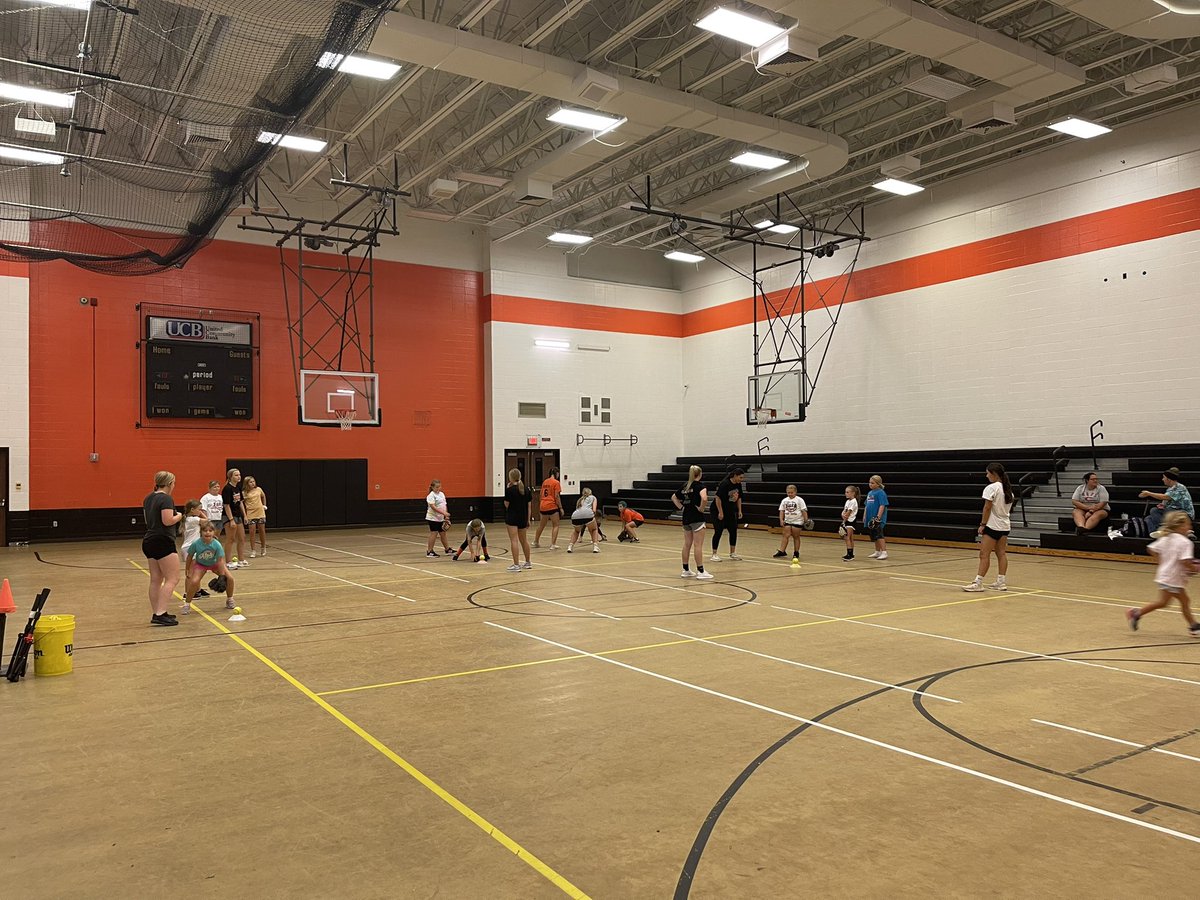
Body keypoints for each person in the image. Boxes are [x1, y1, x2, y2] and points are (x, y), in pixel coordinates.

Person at [1126, 511, 1200, 636]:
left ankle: (1136, 613)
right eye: (1188, 525)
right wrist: (1194, 568)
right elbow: (1185, 561)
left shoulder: (1166, 538)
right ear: (1181, 526)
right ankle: (1194, 626)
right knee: (1182, 601)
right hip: (1172, 578)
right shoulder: (1185, 542)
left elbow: (1151, 549)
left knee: (1165, 602)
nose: (1190, 527)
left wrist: (1162, 562)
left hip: (1166, 576)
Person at [963, 463, 1013, 592]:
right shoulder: (1008, 490)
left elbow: (987, 507)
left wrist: (983, 524)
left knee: (984, 554)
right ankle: (1001, 582)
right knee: (1001, 553)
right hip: (1004, 526)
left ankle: (978, 582)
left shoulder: (992, 488)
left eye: (987, 473)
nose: (986, 476)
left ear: (994, 474)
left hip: (992, 526)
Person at [142, 471, 182, 626]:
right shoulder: (165, 498)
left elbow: (148, 520)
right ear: (169, 483)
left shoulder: (148, 498)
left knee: (156, 579)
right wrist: (179, 516)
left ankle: (157, 611)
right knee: (173, 578)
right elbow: (167, 521)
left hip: (149, 540)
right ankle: (161, 613)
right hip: (163, 540)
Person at [1109, 468, 1194, 539]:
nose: (1162, 479)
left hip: (1182, 514)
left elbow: (1165, 497)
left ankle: (1162, 530)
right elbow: (1166, 501)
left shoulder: (1180, 487)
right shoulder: (1169, 489)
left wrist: (1148, 493)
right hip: (1172, 512)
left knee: (1154, 510)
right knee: (1148, 518)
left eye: (1164, 477)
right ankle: (1156, 534)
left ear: (1168, 479)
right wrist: (1162, 505)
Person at [181, 521, 238, 615]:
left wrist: (222, 576)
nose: (207, 532)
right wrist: (187, 570)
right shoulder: (196, 543)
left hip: (215, 564)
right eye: (205, 530)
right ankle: (187, 604)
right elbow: (189, 557)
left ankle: (230, 599)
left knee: (230, 579)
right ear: (201, 532)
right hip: (201, 564)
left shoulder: (216, 544)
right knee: (194, 582)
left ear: (213, 532)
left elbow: (220, 561)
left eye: (210, 530)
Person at [672, 465, 712, 579]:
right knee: (698, 545)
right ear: (700, 474)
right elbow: (704, 498)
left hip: (686, 517)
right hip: (697, 517)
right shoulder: (701, 486)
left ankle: (685, 570)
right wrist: (701, 508)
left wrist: (681, 507)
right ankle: (701, 571)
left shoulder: (685, 486)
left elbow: (674, 497)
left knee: (687, 544)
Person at [710, 467, 746, 562]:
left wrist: (740, 511)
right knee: (718, 531)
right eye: (740, 477)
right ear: (735, 476)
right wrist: (720, 512)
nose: (741, 479)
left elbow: (739, 498)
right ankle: (714, 554)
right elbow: (717, 498)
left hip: (730, 510)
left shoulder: (738, 485)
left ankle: (732, 553)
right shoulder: (725, 484)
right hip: (717, 509)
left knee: (733, 530)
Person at [503, 468, 533, 572]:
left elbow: (506, 505)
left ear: (511, 477)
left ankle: (516, 565)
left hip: (512, 518)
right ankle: (528, 562)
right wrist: (528, 519)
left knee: (514, 540)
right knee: (524, 540)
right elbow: (529, 506)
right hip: (523, 518)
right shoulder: (526, 489)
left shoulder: (509, 490)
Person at [222, 468, 248, 568]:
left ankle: (241, 559)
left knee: (242, 538)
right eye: (236, 475)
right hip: (229, 516)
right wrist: (231, 520)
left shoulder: (238, 488)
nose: (239, 477)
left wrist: (245, 515)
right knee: (231, 539)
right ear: (230, 477)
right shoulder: (227, 488)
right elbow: (226, 505)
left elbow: (240, 502)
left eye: (239, 475)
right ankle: (228, 562)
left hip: (238, 516)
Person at [777, 484, 809, 567]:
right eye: (788, 493)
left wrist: (806, 520)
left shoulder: (800, 500)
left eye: (791, 492)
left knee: (796, 536)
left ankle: (796, 552)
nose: (790, 494)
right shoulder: (784, 500)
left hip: (797, 521)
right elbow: (782, 511)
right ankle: (782, 551)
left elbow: (804, 511)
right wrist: (781, 519)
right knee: (785, 535)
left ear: (795, 492)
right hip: (788, 520)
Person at [533, 467, 564, 549]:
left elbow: (540, 495)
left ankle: (536, 541)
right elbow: (557, 496)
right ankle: (553, 544)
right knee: (556, 525)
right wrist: (560, 508)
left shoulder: (545, 482)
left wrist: (542, 503)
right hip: (552, 505)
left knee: (541, 525)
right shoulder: (556, 482)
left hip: (543, 505)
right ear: (556, 473)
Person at [567, 488, 601, 554]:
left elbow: (578, 509)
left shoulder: (580, 499)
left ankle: (570, 546)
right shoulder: (593, 497)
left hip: (575, 515)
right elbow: (594, 510)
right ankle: (595, 547)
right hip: (588, 514)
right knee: (594, 529)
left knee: (576, 531)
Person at [425, 479, 453, 557]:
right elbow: (433, 507)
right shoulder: (431, 495)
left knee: (443, 533)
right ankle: (429, 551)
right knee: (434, 533)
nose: (438, 488)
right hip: (433, 518)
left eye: (439, 487)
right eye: (437, 487)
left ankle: (447, 549)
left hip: (440, 518)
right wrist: (443, 513)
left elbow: (444, 505)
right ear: (432, 487)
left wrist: (446, 516)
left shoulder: (441, 494)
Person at [865, 475, 889, 560]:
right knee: (874, 535)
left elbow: (882, 505)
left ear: (878, 484)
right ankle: (877, 551)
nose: (870, 484)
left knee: (879, 535)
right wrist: (865, 516)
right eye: (869, 483)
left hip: (877, 518)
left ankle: (884, 552)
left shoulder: (881, 493)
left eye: (872, 483)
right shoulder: (870, 493)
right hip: (870, 518)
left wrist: (878, 517)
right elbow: (866, 505)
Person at [242, 475, 268, 557]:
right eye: (250, 482)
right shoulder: (244, 492)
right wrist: (245, 515)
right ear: (247, 483)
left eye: (253, 481)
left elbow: (263, 496)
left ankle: (263, 547)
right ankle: (253, 550)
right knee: (252, 532)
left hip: (260, 512)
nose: (253, 483)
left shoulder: (259, 489)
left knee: (262, 531)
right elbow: (241, 503)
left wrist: (264, 505)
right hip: (250, 513)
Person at [839, 485, 861, 561]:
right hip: (847, 521)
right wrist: (843, 516)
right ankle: (851, 553)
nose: (846, 493)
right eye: (845, 492)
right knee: (850, 538)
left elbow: (848, 513)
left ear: (853, 493)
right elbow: (844, 511)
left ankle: (850, 555)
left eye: (847, 492)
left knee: (847, 538)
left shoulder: (853, 501)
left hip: (850, 521)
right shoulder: (848, 501)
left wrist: (843, 522)